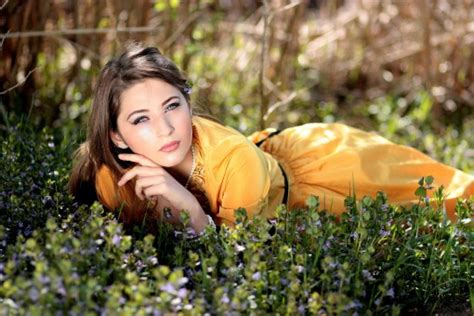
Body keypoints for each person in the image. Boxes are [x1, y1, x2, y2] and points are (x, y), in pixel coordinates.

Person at [69, 43, 474, 235]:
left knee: (456, 200)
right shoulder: (113, 179)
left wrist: (190, 207)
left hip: (328, 172)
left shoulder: (233, 163)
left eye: (172, 106)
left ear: (188, 104)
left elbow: (236, 263)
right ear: (116, 134)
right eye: (140, 119)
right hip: (274, 164)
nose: (164, 129)